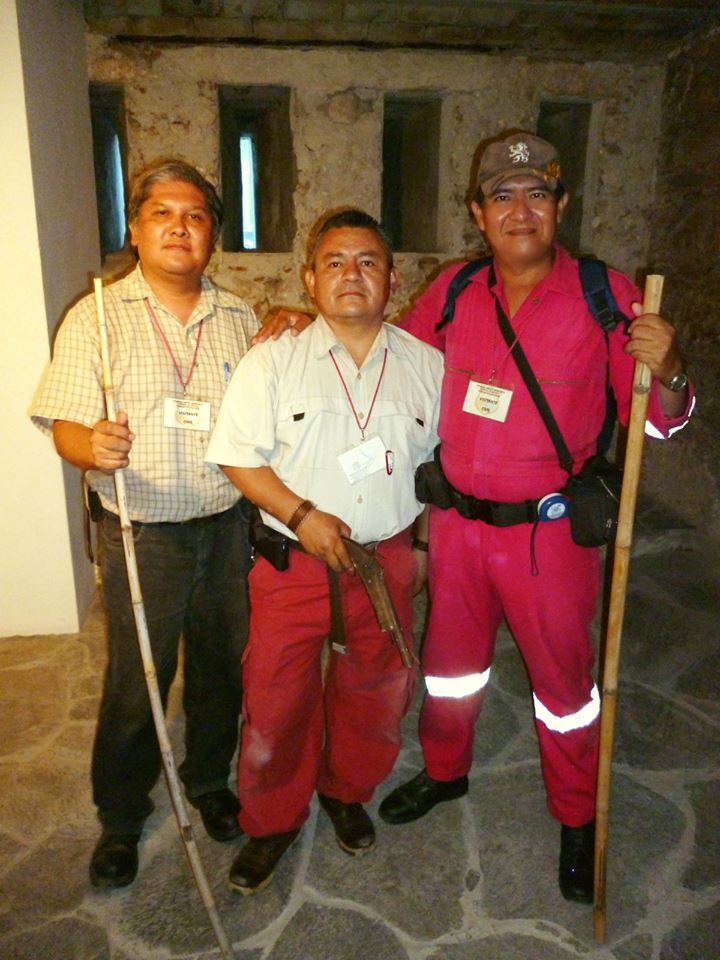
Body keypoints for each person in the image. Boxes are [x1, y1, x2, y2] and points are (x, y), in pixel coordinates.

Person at [374, 132, 695, 903]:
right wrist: (304, 330)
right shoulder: (452, 291)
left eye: (538, 194)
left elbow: (658, 423)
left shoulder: (605, 295)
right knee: (450, 671)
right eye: (504, 196)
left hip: (549, 536)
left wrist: (672, 371)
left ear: (560, 207)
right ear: (479, 214)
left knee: (565, 687)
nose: (522, 211)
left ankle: (577, 815)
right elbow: (384, 364)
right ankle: (445, 773)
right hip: (457, 530)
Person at [31, 159, 259, 889]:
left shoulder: (241, 318)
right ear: (135, 229)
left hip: (226, 524)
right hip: (142, 532)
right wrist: (87, 443)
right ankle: (122, 814)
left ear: (213, 236)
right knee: (140, 678)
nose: (179, 227)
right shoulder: (96, 314)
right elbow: (62, 423)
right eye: (162, 213)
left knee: (223, 666)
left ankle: (209, 782)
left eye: (195, 216)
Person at [205, 209, 443, 895]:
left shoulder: (426, 365)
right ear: (309, 278)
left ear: (392, 279)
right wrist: (302, 515)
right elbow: (236, 458)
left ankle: (347, 789)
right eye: (335, 261)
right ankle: (273, 818)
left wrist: (421, 546)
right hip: (294, 563)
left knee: (375, 689)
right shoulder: (274, 359)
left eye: (368, 261)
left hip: (385, 561)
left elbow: (437, 467)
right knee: (277, 695)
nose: (352, 274)